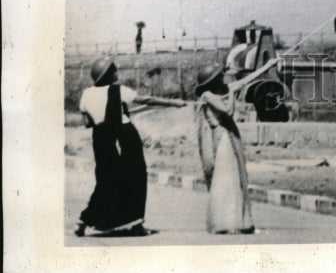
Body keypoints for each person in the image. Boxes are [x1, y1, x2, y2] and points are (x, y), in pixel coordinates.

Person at [75, 56, 186, 237]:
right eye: (114, 70)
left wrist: (107, 113)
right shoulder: (119, 90)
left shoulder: (86, 94)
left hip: (101, 140)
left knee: (105, 180)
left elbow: (88, 123)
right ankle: (136, 224)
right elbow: (147, 100)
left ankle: (84, 221)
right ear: (108, 75)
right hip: (125, 137)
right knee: (135, 177)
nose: (117, 73)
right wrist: (174, 103)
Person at [194, 56, 280, 235]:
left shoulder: (222, 91)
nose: (222, 77)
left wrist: (268, 65)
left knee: (236, 177)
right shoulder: (208, 95)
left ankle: (241, 222)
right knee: (227, 178)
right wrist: (233, 93)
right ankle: (226, 221)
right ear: (212, 80)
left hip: (229, 136)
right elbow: (228, 112)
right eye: (219, 76)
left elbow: (248, 79)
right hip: (223, 137)